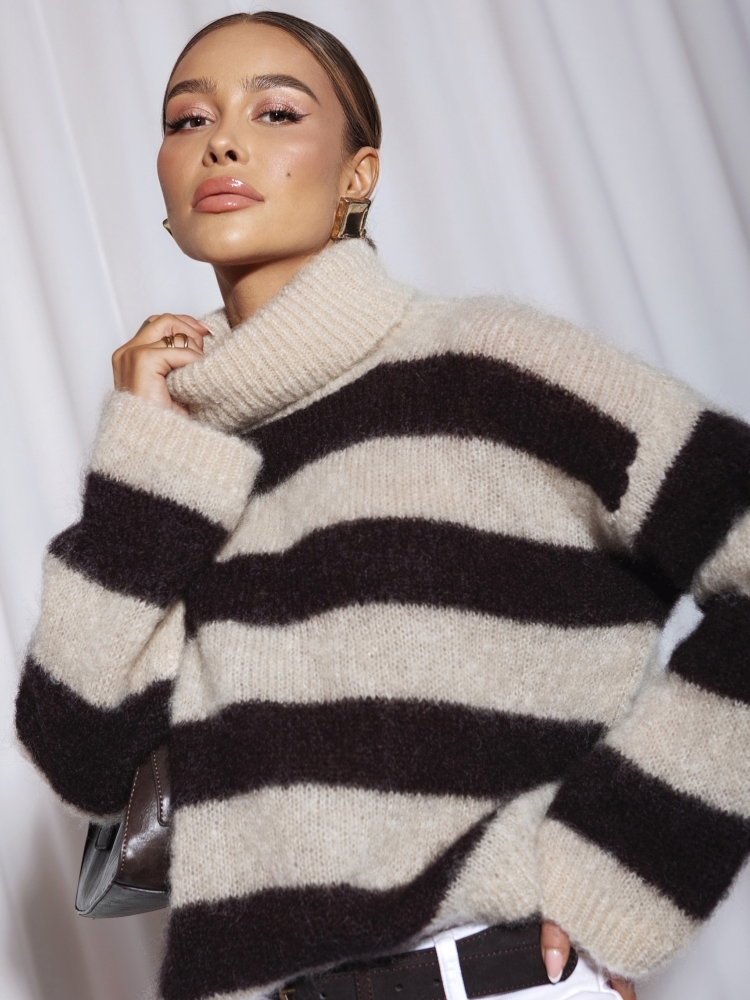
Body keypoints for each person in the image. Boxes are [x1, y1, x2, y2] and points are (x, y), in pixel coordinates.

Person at [15, 11, 750, 1000]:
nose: (222, 141)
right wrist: (143, 457)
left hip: (490, 976)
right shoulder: (179, 462)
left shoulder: (491, 368)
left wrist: (620, 872)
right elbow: (82, 757)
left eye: (276, 112)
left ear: (358, 174)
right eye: (188, 120)